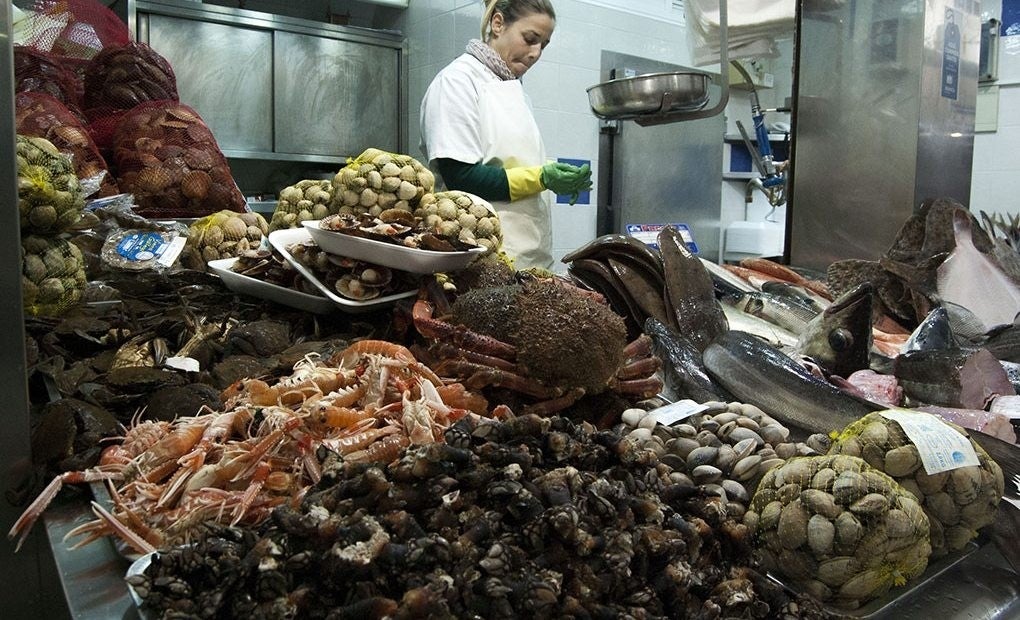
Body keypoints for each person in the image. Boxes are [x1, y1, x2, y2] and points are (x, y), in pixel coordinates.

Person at [419, 0, 592, 270]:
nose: (536, 53)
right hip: (478, 255)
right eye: (530, 39)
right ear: (497, 24)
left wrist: (555, 174)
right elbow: (461, 177)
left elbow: (507, 161)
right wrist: (542, 177)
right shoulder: (457, 82)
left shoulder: (512, 88)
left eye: (543, 45)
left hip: (529, 255)